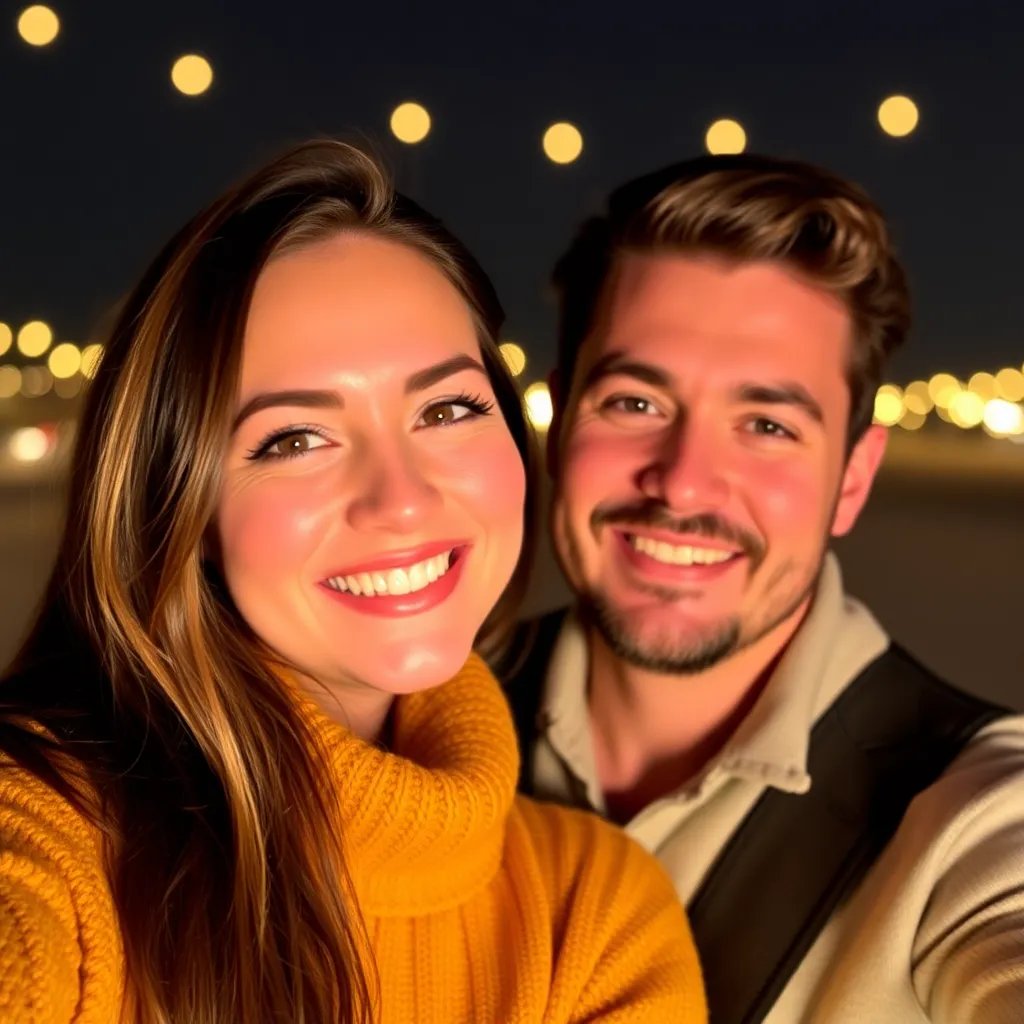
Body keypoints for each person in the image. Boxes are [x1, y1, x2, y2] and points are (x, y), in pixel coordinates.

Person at [0, 141, 706, 1024]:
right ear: (181, 509)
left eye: (446, 409)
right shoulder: (46, 833)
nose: (401, 500)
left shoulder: (595, 915)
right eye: (295, 440)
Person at [502, 153, 1024, 1023]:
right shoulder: (406, 718)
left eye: (767, 425)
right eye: (635, 403)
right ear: (559, 428)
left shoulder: (966, 813)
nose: (683, 484)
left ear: (852, 479)